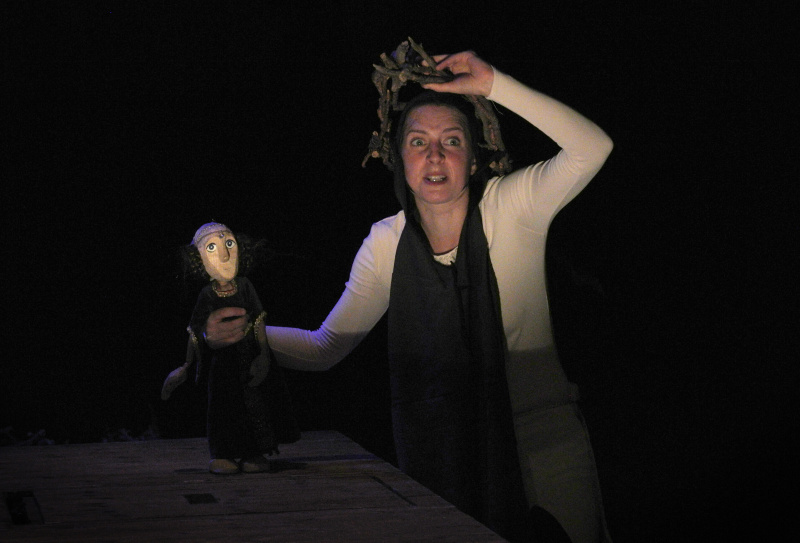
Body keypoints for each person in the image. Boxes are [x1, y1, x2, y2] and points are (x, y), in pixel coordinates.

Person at [204, 50, 613, 542]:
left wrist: (494, 84)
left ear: (473, 158)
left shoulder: (512, 206)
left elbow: (593, 147)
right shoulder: (386, 243)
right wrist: (244, 332)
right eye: (418, 142)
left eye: (451, 141)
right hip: (446, 451)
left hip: (545, 443)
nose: (435, 156)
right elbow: (326, 346)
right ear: (398, 157)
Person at [161, 222, 299, 474]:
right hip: (222, 362)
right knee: (223, 407)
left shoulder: (245, 285)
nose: (224, 255)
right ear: (198, 259)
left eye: (228, 243)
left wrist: (263, 354)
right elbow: (195, 329)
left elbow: (258, 319)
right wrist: (187, 365)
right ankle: (222, 454)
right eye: (211, 247)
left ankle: (252, 452)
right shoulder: (207, 294)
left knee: (254, 403)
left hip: (248, 357)